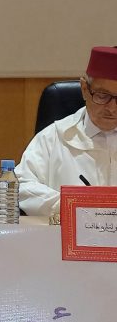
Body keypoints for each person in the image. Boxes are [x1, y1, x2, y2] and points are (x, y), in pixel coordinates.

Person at [16, 46, 117, 215]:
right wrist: (71, 205)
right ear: (84, 89)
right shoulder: (53, 137)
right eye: (102, 95)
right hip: (63, 230)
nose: (112, 108)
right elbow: (21, 186)